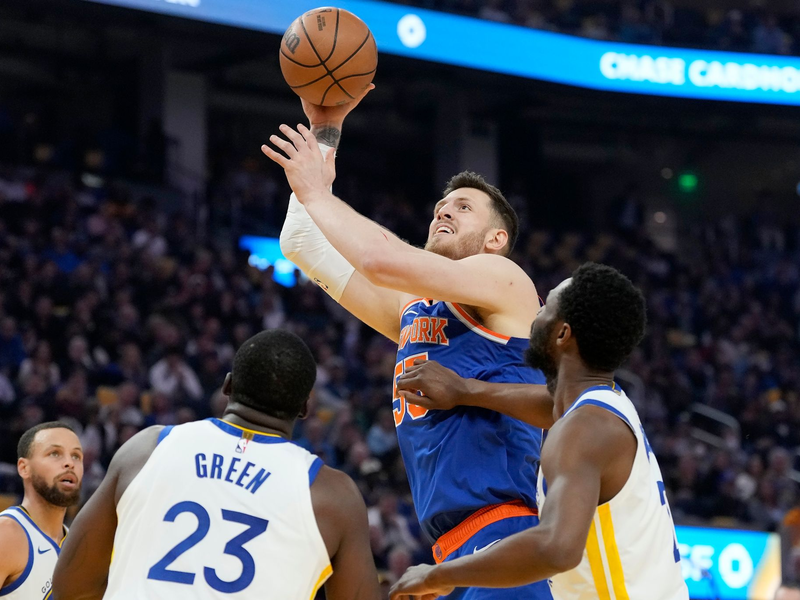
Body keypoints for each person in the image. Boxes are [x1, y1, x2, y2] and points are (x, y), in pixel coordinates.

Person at [264, 91, 552, 600]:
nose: (444, 212)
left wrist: (319, 193)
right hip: (450, 548)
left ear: (495, 239)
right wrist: (326, 130)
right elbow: (301, 243)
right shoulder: (415, 312)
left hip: (505, 531)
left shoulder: (504, 280)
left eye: (463, 208)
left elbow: (380, 260)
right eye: (441, 206)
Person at [389, 263, 689, 600]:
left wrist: (437, 576)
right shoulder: (605, 406)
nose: (534, 318)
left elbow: (554, 548)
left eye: (544, 307)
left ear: (562, 334)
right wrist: (466, 391)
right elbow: (551, 405)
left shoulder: (583, 429)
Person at [50, 329, 380, 600]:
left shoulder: (147, 447)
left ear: (227, 386)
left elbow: (72, 586)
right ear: (306, 407)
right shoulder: (334, 496)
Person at [0, 422, 84, 599]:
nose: (70, 463)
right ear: (24, 468)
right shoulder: (6, 533)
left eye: (76, 456)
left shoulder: (77, 548)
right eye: (55, 453)